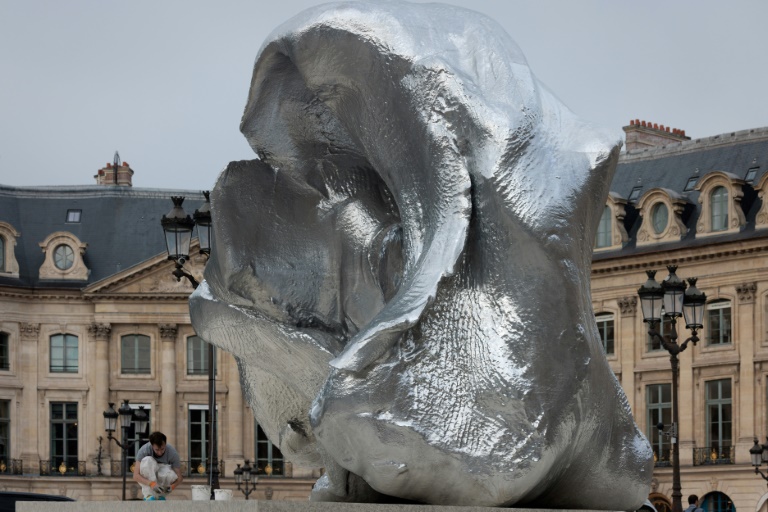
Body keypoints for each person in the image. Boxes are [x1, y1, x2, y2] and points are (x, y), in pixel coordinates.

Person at [133, 431, 183, 501]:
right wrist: (151, 484)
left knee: (171, 474)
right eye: (157, 450)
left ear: (165, 444)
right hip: (149, 476)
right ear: (152, 445)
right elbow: (136, 476)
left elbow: (179, 477)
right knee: (147, 460)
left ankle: (160, 495)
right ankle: (149, 495)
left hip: (161, 474)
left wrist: (172, 486)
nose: (160, 452)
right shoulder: (144, 450)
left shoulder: (172, 453)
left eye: (162, 449)